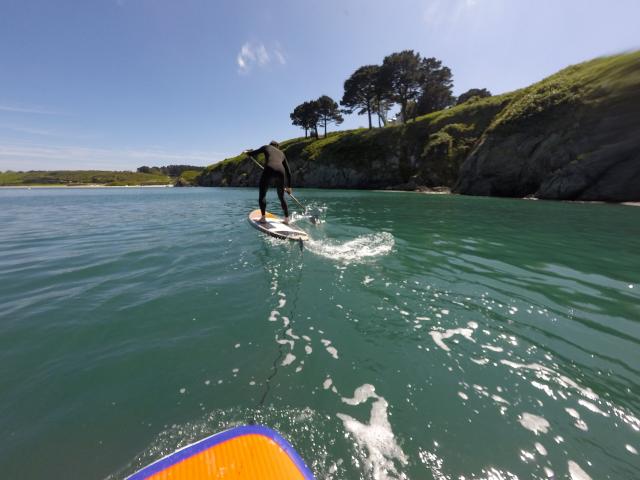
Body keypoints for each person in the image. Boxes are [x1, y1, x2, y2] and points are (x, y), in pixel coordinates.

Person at [245, 141, 292, 224]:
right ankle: (287, 219)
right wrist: (289, 187)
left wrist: (247, 153)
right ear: (277, 146)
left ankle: (263, 218)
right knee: (281, 197)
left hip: (269, 169)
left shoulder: (266, 147)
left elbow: (253, 153)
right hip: (281, 172)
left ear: (271, 145)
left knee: (262, 195)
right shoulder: (281, 153)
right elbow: (288, 172)